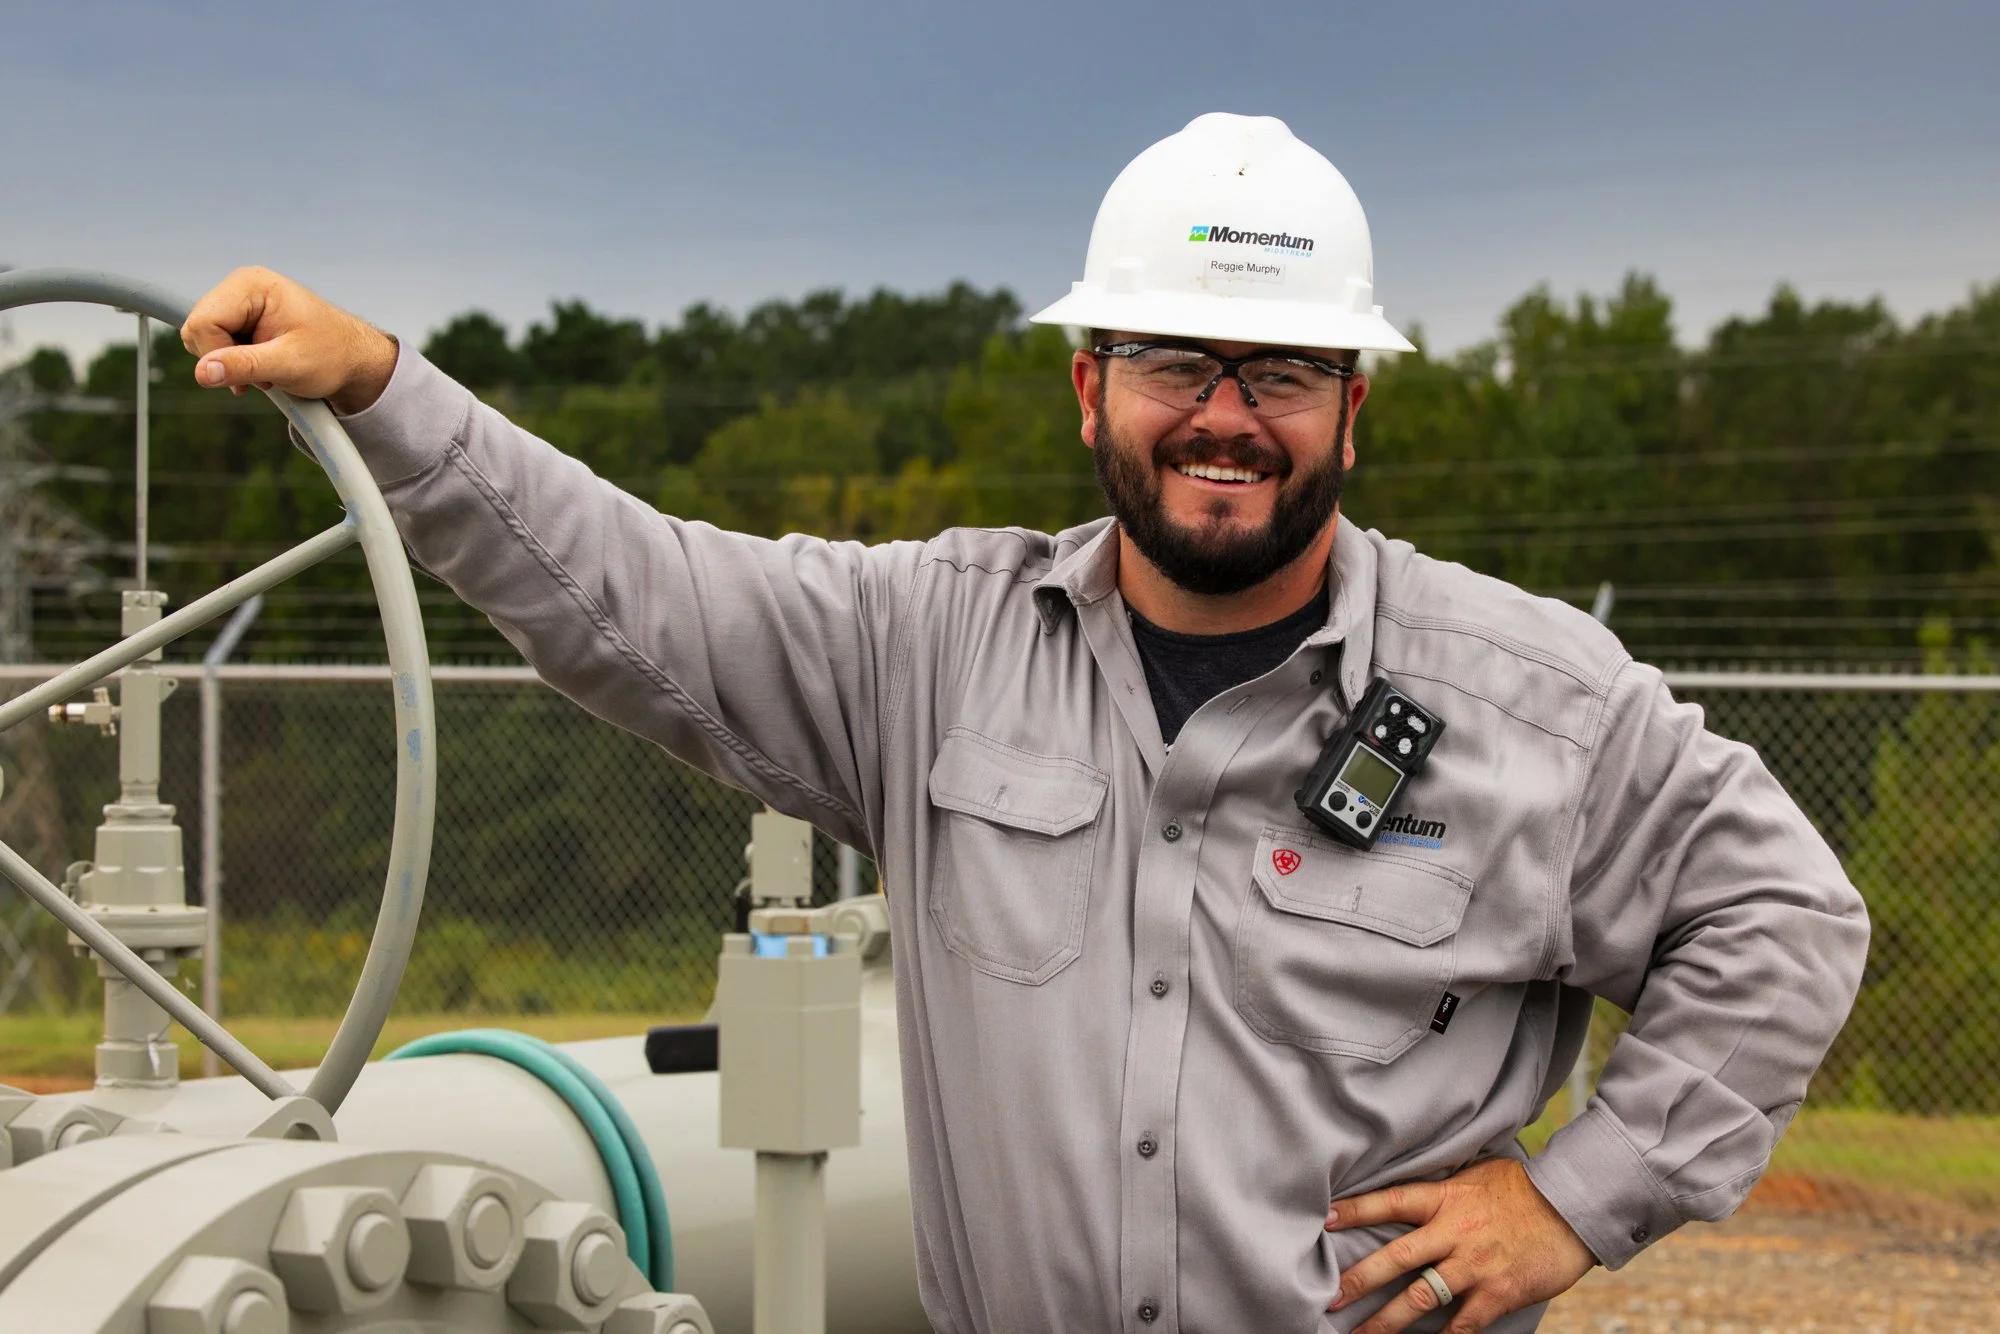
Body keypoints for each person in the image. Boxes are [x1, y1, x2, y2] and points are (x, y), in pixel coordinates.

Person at [181, 113, 1868, 1334]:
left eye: (1279, 372)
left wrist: (1576, 1199)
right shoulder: (930, 647)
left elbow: (1784, 918)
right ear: (1089, 384)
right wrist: (385, 391)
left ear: (1355, 404)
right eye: (1173, 364)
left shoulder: (1530, 702)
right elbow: (630, 590)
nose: (1225, 418)